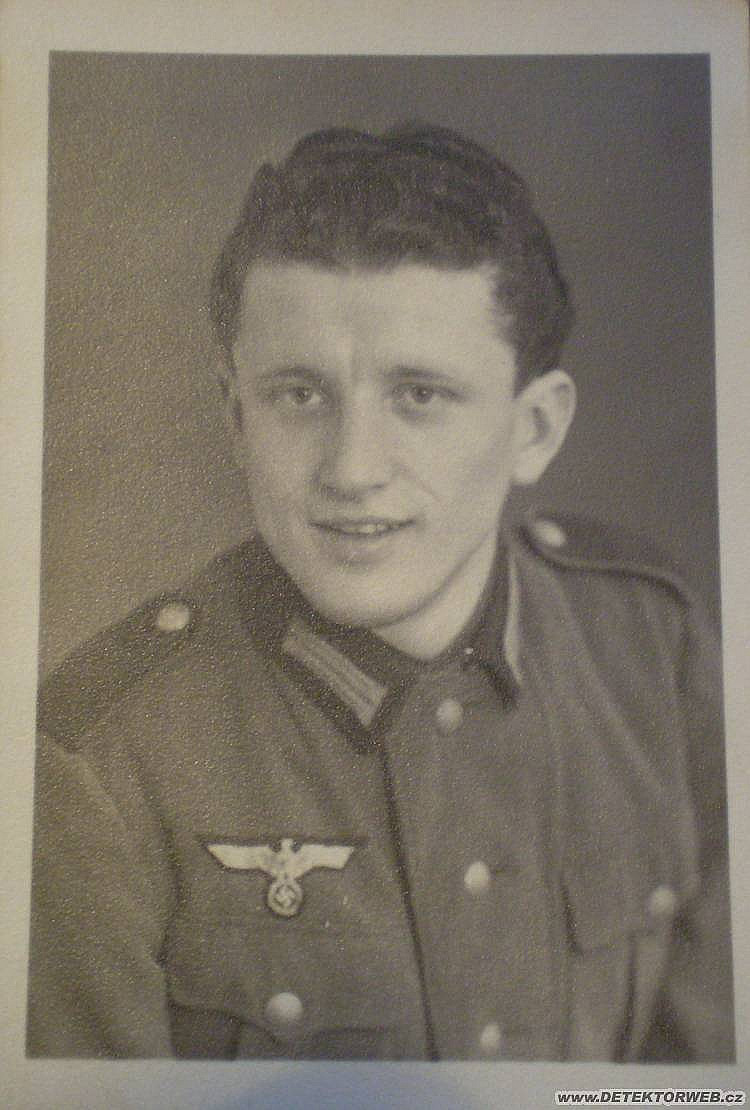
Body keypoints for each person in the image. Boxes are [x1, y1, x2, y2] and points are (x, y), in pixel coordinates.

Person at [27, 123, 733, 1061]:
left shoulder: (653, 649)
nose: (353, 470)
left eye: (419, 395)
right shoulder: (97, 760)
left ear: (534, 429)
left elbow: (705, 1086)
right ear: (236, 420)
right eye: (299, 395)